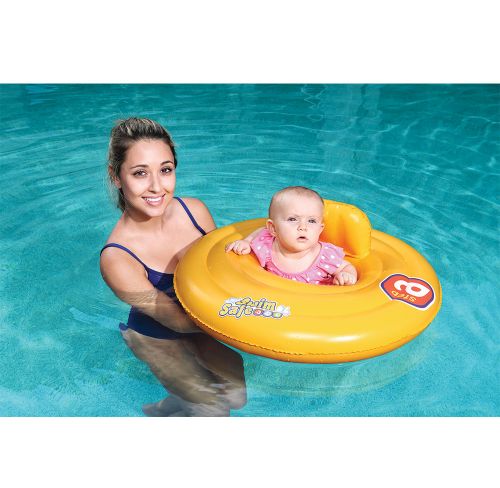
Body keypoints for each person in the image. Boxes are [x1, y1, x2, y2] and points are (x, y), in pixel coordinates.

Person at [100, 117, 246, 416]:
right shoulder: (117, 257)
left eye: (165, 170)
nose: (156, 187)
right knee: (214, 410)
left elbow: (223, 273)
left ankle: (167, 407)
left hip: (204, 320)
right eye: (140, 173)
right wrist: (248, 317)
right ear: (116, 176)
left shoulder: (195, 211)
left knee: (236, 398)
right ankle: (179, 404)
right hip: (158, 336)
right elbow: (178, 321)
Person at [225, 186, 358, 286]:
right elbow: (260, 232)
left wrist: (346, 275)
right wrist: (246, 242)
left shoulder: (325, 257)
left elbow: (346, 266)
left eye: (311, 221)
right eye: (293, 219)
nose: (303, 227)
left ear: (320, 229)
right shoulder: (267, 245)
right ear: (273, 228)